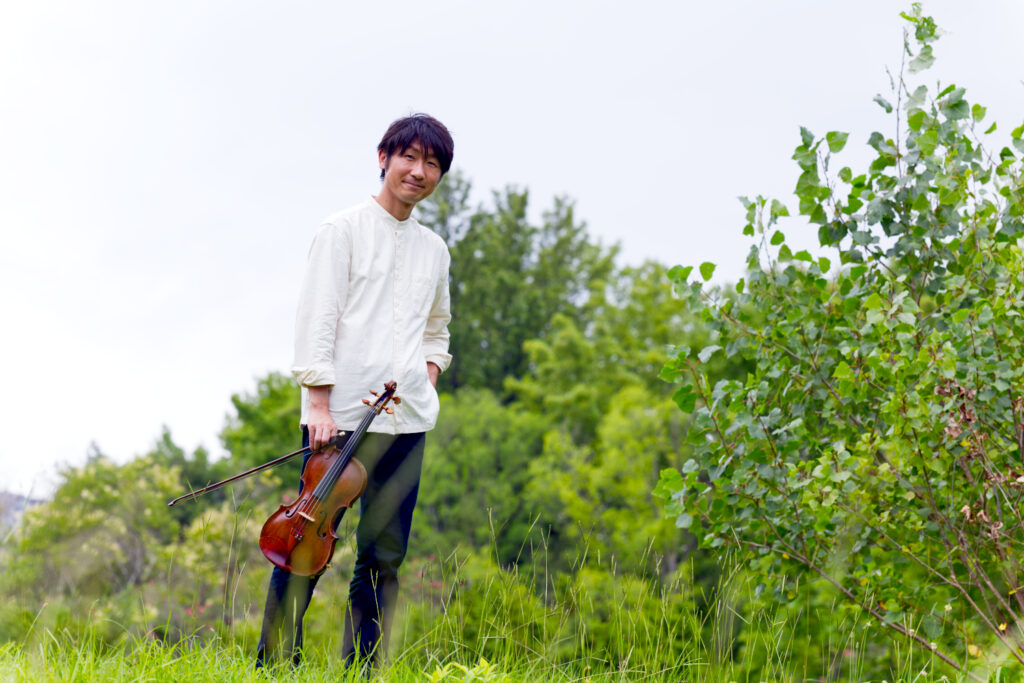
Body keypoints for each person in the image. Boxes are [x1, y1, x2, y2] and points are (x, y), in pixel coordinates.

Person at [256, 113, 454, 669]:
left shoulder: (435, 250)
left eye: (432, 164)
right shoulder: (340, 231)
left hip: (408, 421)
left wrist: (428, 374)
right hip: (339, 419)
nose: (418, 171)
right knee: (304, 549)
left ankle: (364, 669)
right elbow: (318, 318)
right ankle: (274, 665)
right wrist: (317, 403)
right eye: (409, 158)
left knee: (384, 556)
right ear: (383, 158)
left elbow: (438, 330)